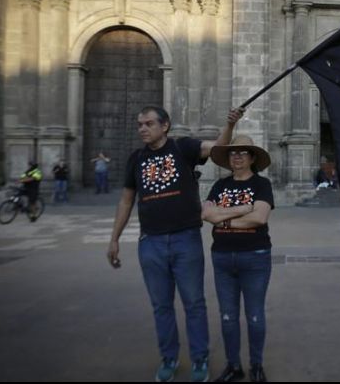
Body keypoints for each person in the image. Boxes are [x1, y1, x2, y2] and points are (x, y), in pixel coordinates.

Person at [107, 105, 244, 383]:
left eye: (148, 123)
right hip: (151, 242)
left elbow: (219, 149)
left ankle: (199, 358)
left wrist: (230, 125)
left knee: (194, 303)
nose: (142, 129)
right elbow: (126, 201)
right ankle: (168, 358)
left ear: (165, 125)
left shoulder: (183, 148)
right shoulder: (136, 159)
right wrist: (114, 239)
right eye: (140, 124)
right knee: (161, 306)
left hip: (185, 239)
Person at [202, 135, 274, 383]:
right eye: (233, 152)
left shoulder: (262, 184)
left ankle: (256, 365)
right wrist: (244, 209)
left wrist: (223, 218)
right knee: (227, 317)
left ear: (252, 158)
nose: (237, 156)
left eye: (243, 152)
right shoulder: (219, 185)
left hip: (255, 257)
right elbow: (207, 214)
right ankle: (234, 366)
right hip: (222, 257)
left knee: (254, 315)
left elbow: (260, 218)